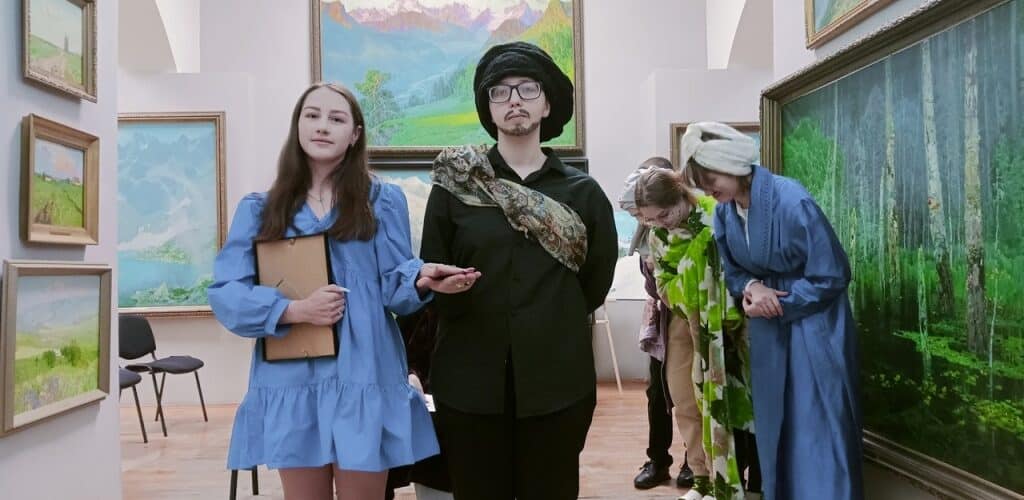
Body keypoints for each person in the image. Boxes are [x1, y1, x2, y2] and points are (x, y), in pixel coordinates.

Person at [208, 82, 480, 500]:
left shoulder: (382, 201)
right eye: (312, 115)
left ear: (355, 134)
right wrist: (293, 311)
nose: (322, 126)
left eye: (336, 119)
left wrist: (422, 278)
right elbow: (227, 292)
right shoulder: (259, 209)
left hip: (365, 373)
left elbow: (394, 282)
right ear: (298, 126)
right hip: (292, 378)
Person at [420, 41, 618, 499]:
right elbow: (432, 267)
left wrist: (550, 316)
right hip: (469, 381)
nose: (514, 100)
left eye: (528, 89)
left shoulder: (583, 194)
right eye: (500, 91)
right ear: (488, 108)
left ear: (547, 104)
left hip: (557, 382)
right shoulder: (458, 187)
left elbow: (594, 283)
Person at [683, 121, 862, 500]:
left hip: (813, 323)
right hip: (768, 328)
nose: (708, 191)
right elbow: (734, 269)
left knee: (815, 424)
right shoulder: (725, 213)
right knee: (775, 424)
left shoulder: (792, 200)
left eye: (710, 179)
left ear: (732, 164)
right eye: (701, 184)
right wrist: (751, 287)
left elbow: (833, 273)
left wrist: (777, 300)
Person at [622, 157, 758, 500]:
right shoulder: (659, 236)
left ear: (680, 196)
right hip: (684, 321)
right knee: (684, 399)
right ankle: (701, 479)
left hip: (731, 325)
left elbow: (741, 266)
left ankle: (729, 482)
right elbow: (664, 285)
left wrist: (710, 296)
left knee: (726, 403)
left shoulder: (717, 217)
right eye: (650, 220)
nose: (659, 225)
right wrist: (691, 292)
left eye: (663, 215)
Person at [622, 157, 695, 491]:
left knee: (692, 392)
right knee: (657, 391)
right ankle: (658, 459)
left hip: (688, 315)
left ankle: (693, 462)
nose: (648, 220)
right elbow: (653, 286)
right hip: (661, 317)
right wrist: (654, 270)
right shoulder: (650, 230)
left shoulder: (690, 223)